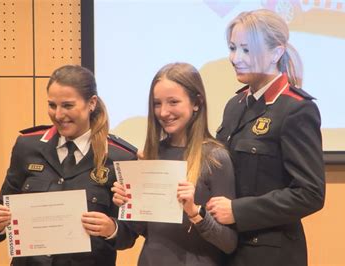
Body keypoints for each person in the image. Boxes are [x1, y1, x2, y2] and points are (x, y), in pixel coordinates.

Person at [206, 9, 326, 266]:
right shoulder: (235, 104)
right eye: (232, 48)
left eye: (247, 50)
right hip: (227, 248)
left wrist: (238, 211)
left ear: (276, 52)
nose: (235, 58)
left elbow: (310, 193)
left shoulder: (296, 109)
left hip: (270, 254)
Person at [0, 65, 137, 266]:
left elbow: (129, 234)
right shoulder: (27, 146)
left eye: (67, 106)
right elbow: (2, 214)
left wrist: (111, 228)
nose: (58, 115)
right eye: (52, 105)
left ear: (91, 103)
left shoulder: (120, 157)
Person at [110, 62, 237, 265]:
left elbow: (229, 242)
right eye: (157, 103)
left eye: (173, 102)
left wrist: (195, 213)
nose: (163, 112)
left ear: (196, 103)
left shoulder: (216, 158)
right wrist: (128, 203)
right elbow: (142, 229)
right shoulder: (149, 155)